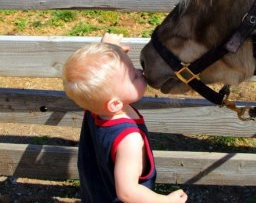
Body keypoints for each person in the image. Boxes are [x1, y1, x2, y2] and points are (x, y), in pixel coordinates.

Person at [62, 33, 188, 203]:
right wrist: (166, 201)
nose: (140, 71)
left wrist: (111, 49)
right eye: (133, 76)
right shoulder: (129, 140)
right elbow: (128, 192)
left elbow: (105, 82)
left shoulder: (95, 108)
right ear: (114, 104)